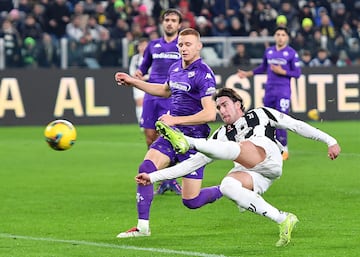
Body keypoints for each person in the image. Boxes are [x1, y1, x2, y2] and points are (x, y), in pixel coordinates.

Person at [136, 88, 341, 247]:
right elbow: (192, 164)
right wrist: (153, 177)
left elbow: (297, 125)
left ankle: (188, 141)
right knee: (227, 186)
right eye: (219, 108)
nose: (222, 110)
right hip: (255, 175)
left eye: (225, 105)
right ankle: (283, 219)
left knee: (238, 147)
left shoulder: (261, 114)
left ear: (238, 104)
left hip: (267, 156)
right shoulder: (221, 134)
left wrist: (330, 140)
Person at [114, 28, 218, 238]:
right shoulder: (175, 68)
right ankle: (142, 227)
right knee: (146, 168)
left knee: (191, 201)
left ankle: (227, 188)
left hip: (194, 141)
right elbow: (164, 90)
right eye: (180, 44)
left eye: (188, 44)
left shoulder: (204, 74)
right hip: (173, 134)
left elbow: (210, 114)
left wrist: (174, 119)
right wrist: (133, 81)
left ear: (199, 46)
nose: (183, 48)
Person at [134, 8, 183, 194]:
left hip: (170, 96)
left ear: (179, 25)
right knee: (149, 137)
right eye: (167, 20)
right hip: (151, 96)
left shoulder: (182, 45)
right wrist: (139, 73)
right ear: (162, 23)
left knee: (169, 137)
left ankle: (170, 178)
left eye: (173, 20)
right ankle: (160, 176)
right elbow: (143, 67)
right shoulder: (153, 45)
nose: (169, 23)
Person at [237, 26, 301, 160]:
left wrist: (282, 72)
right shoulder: (269, 51)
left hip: (283, 91)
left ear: (287, 37)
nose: (280, 37)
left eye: (283, 34)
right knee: (267, 119)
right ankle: (270, 147)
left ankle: (284, 149)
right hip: (269, 90)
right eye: (278, 34)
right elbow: (263, 67)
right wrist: (248, 73)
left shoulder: (291, 53)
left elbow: (297, 73)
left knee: (281, 120)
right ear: (275, 37)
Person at [129, 38, 148, 125]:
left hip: (149, 83)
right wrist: (135, 78)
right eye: (141, 45)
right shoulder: (135, 58)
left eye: (145, 45)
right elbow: (132, 71)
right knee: (139, 102)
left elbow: (153, 71)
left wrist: (145, 77)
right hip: (137, 83)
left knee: (147, 103)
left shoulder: (151, 57)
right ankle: (141, 122)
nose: (143, 47)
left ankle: (148, 122)